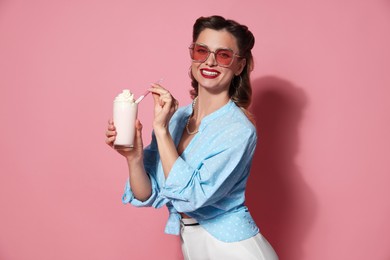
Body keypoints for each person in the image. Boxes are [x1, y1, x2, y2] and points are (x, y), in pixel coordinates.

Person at [105, 15, 278, 260]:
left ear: (239, 65)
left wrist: (161, 130)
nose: (209, 62)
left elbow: (190, 198)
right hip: (193, 245)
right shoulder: (176, 118)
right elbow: (148, 194)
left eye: (223, 55)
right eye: (201, 50)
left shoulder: (238, 130)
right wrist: (134, 156)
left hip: (234, 249)